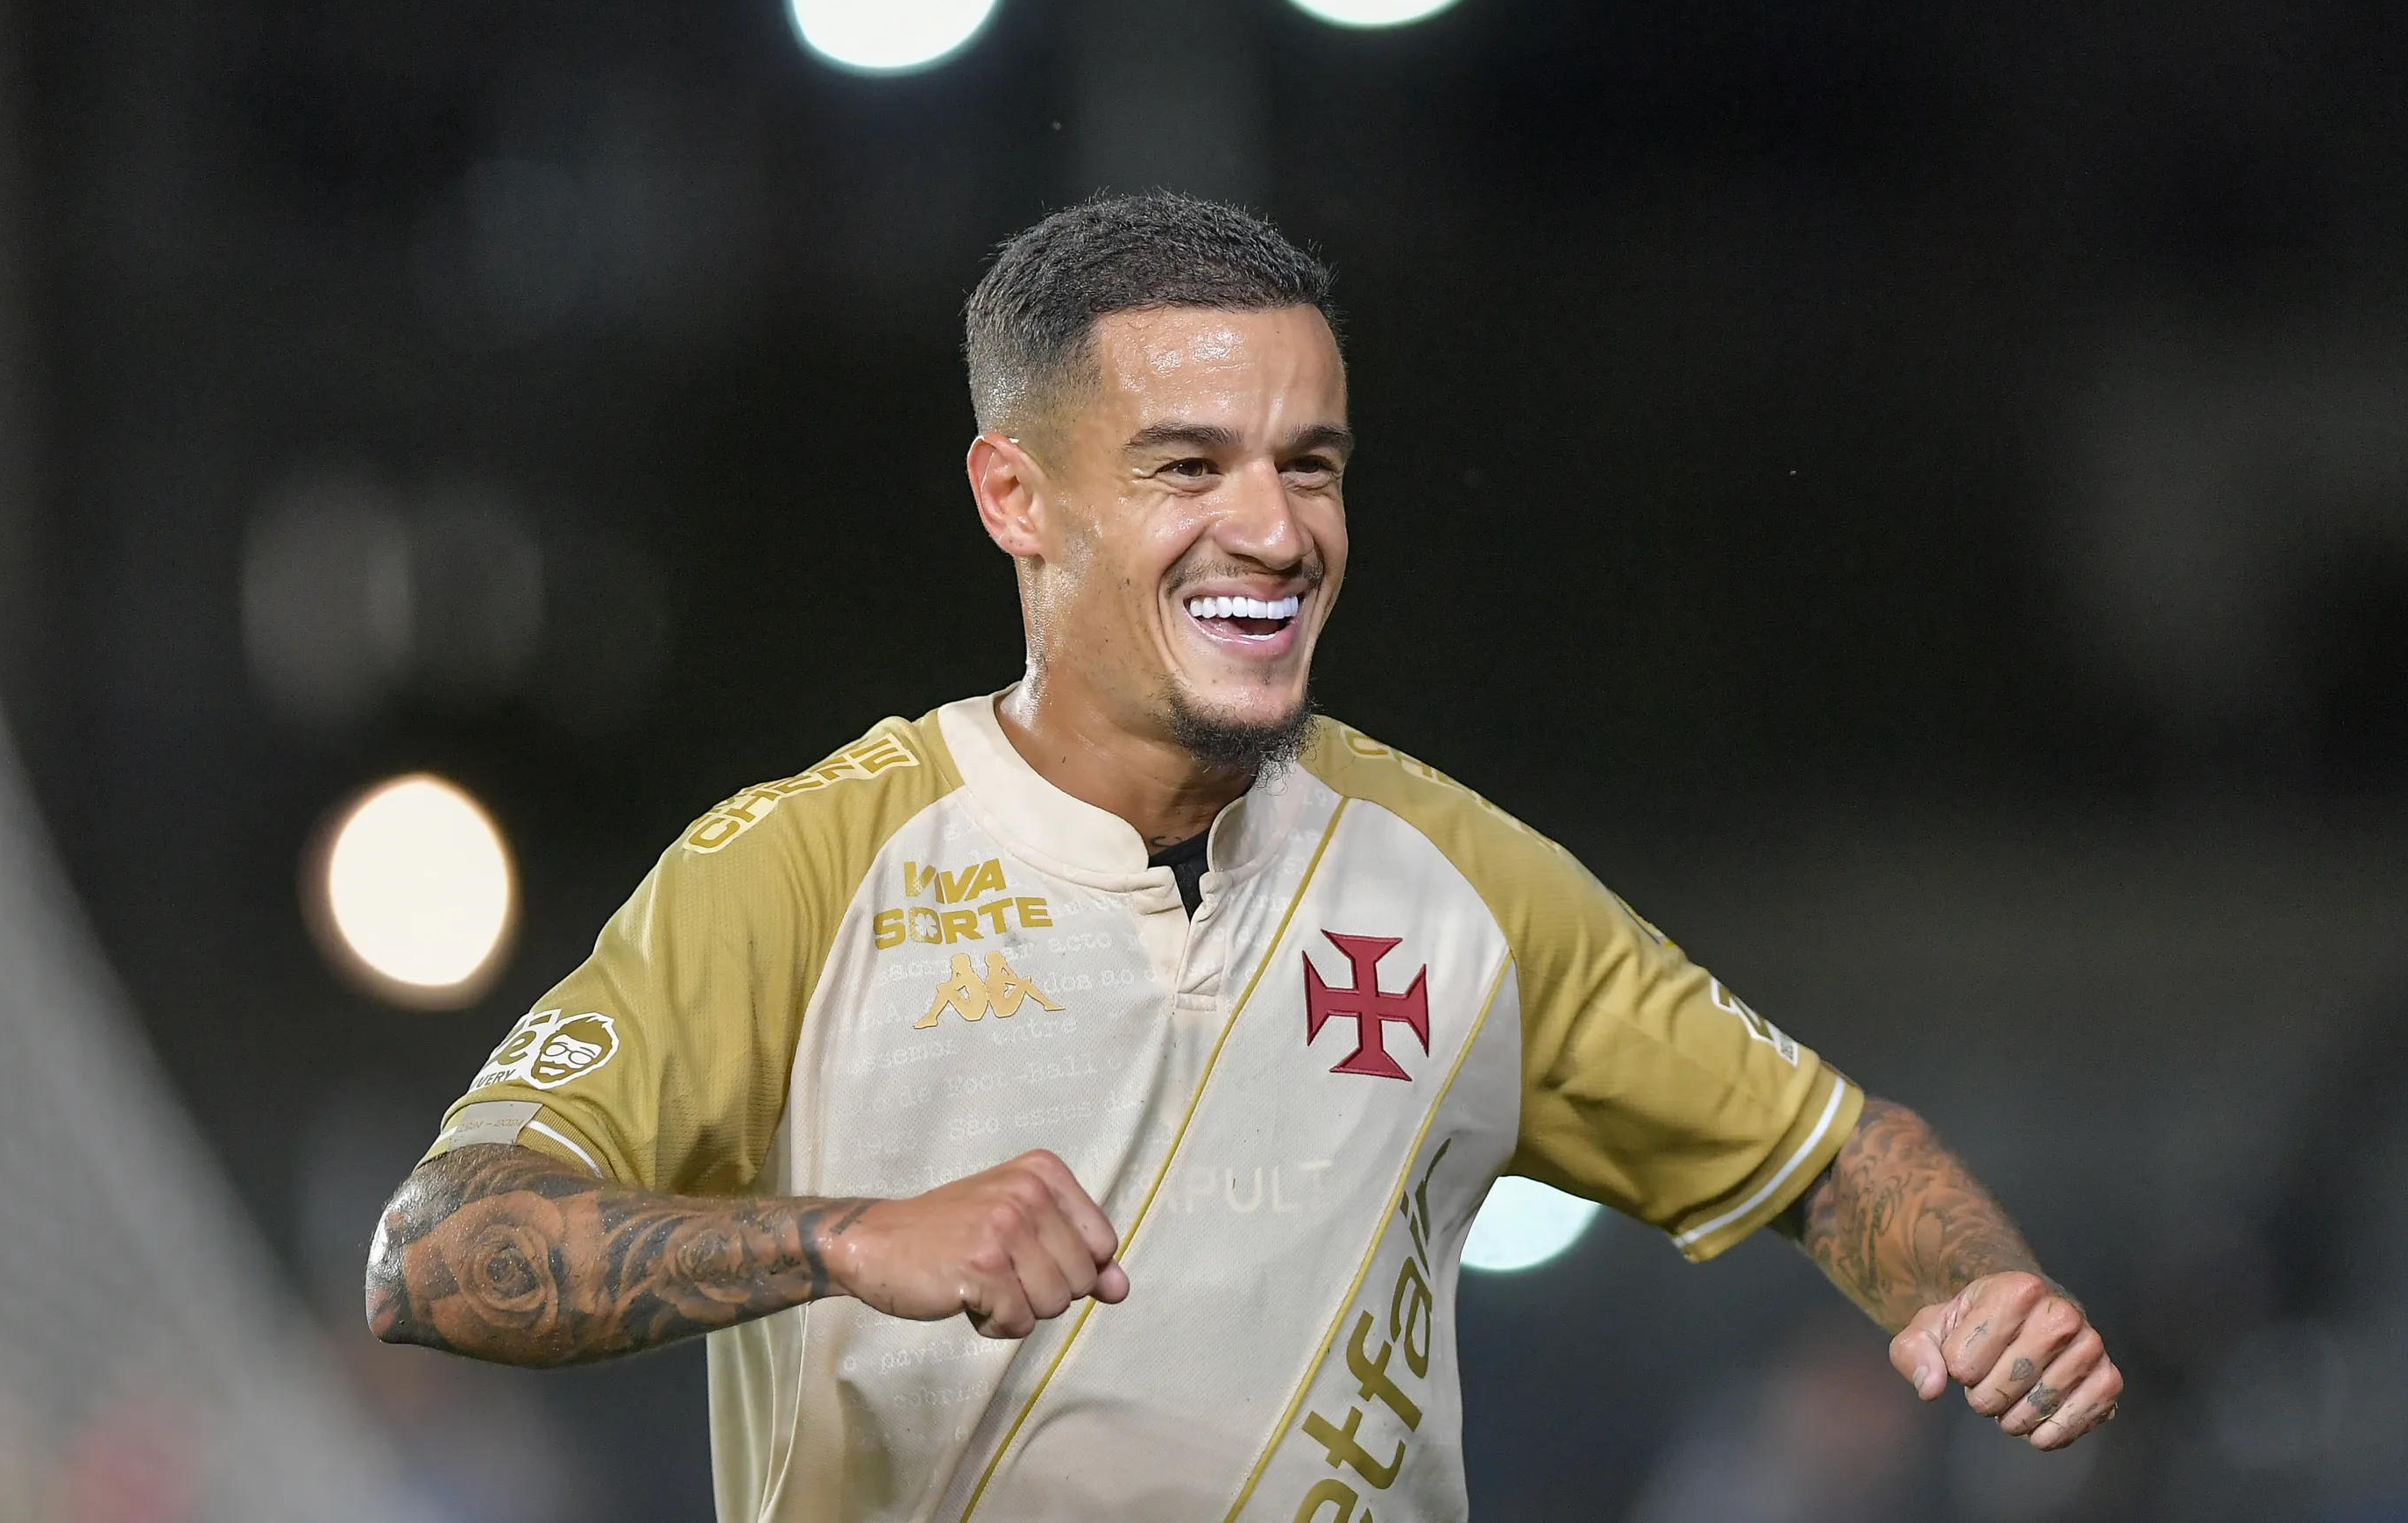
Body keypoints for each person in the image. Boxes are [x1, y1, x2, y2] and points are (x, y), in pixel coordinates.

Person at [365, 194, 2121, 1520]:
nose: (1274, 531)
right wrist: (843, 1238)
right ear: (1016, 497)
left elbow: (1834, 1154)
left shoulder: (1460, 880)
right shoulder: (798, 871)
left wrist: (1977, 1287)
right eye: (1187, 464)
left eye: (1312, 464)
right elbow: (437, 1252)